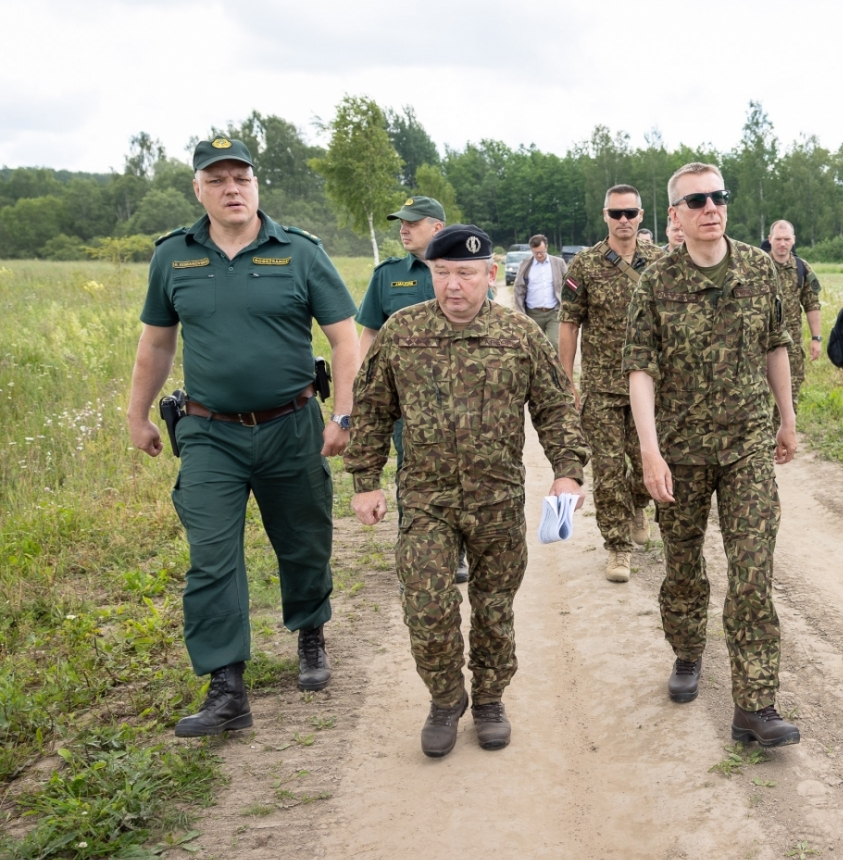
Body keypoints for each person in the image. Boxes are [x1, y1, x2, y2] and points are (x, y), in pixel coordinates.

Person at [126, 138, 358, 736]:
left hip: (293, 425)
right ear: (198, 189)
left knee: (304, 539)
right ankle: (226, 683)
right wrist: (138, 413)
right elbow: (156, 342)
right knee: (211, 557)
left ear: (257, 185)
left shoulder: (300, 253)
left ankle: (310, 634)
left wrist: (345, 416)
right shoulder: (174, 257)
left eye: (242, 178)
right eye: (218, 178)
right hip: (209, 432)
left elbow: (344, 339)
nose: (232, 188)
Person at [347, 225, 588, 757]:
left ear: (488, 275)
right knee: (427, 606)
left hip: (497, 500)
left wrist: (568, 469)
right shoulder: (401, 332)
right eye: (442, 273)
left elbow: (553, 406)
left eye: (464, 274)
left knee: (493, 608)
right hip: (427, 499)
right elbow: (371, 409)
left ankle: (488, 700)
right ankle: (445, 698)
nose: (452, 286)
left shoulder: (518, 335)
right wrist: (365, 481)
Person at [624, 162, 801, 747]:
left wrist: (787, 419)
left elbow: (776, 345)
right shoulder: (654, 282)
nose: (710, 208)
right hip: (681, 450)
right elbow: (640, 370)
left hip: (747, 445)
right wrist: (650, 453)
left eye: (718, 196)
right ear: (674, 215)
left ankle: (755, 704)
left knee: (752, 572)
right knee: (683, 566)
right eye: (696, 200)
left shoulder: (758, 268)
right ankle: (687, 650)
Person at [353, 197, 471, 584]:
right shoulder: (387, 275)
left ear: (436, 228)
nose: (403, 229)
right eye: (400, 223)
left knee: (464, 471)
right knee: (412, 472)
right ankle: (417, 555)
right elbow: (370, 332)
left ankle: (458, 550)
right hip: (408, 402)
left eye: (412, 223)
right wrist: (365, 386)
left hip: (461, 399)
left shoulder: (463, 270)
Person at [559, 185, 665, 582]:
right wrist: (566, 378)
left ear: (641, 216)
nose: (624, 220)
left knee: (642, 462)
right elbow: (569, 325)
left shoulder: (660, 262)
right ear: (605, 215)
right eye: (616, 213)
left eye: (631, 213)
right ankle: (617, 548)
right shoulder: (584, 266)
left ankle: (639, 504)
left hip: (650, 384)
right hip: (602, 385)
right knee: (607, 469)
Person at [765, 220, 822, 408]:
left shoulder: (801, 268)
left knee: (791, 393)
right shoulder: (758, 266)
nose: (783, 243)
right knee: (760, 395)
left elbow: (812, 304)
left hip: (791, 344)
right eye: (778, 239)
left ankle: (785, 434)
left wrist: (816, 338)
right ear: (770, 239)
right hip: (760, 343)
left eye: (787, 239)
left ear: (794, 240)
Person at [512, 233, 566, 350]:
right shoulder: (525, 265)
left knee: (555, 343)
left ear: (546, 247)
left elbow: (569, 284)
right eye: (536, 253)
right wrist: (520, 312)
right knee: (533, 346)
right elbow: (518, 289)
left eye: (541, 252)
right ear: (531, 250)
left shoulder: (559, 263)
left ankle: (555, 368)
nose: (539, 255)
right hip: (533, 314)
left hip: (554, 312)